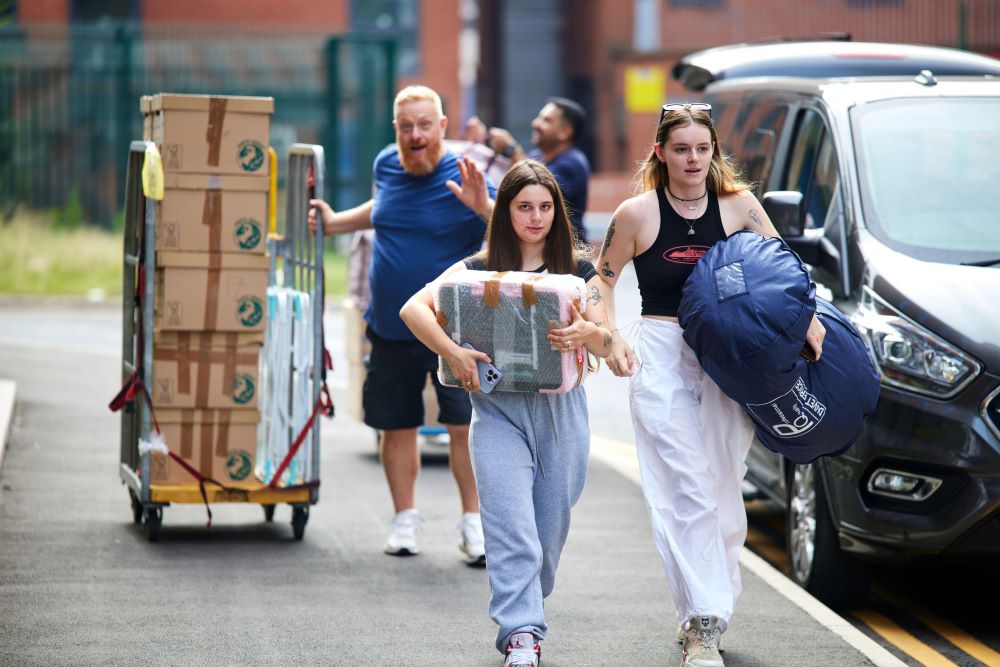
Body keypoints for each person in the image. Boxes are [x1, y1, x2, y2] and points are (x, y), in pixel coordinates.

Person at [596, 103, 826, 667]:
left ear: (714, 152)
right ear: (660, 153)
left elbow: (786, 272)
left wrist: (810, 325)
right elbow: (601, 281)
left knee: (723, 493)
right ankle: (702, 626)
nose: (692, 159)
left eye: (702, 148)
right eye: (680, 149)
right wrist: (611, 338)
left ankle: (703, 611)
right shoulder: (636, 214)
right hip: (660, 351)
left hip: (729, 356)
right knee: (687, 488)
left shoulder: (741, 207)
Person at [400, 159, 613, 667]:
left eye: (544, 207)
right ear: (506, 212)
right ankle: (521, 634)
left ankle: (529, 605)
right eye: (523, 207)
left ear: (557, 214)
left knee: (546, 536)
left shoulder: (579, 273)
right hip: (496, 413)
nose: (535, 217)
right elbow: (413, 309)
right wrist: (452, 353)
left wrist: (588, 332)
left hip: (562, 415)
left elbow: (606, 340)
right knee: (510, 528)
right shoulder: (477, 270)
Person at [308, 85, 497, 564]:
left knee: (463, 427)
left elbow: (517, 229)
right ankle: (404, 520)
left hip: (456, 330)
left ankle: (473, 526)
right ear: (396, 130)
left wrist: (482, 206)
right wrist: (335, 224)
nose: (415, 135)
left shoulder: (465, 170)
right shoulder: (386, 164)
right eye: (406, 126)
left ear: (442, 127)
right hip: (392, 327)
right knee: (398, 426)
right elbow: (387, 210)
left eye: (424, 125)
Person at [466, 97, 591, 244]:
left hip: (563, 254)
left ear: (565, 132)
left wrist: (512, 149)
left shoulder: (573, 163)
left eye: (547, 120)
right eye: (539, 117)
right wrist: (483, 144)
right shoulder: (536, 156)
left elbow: (536, 186)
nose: (535, 123)